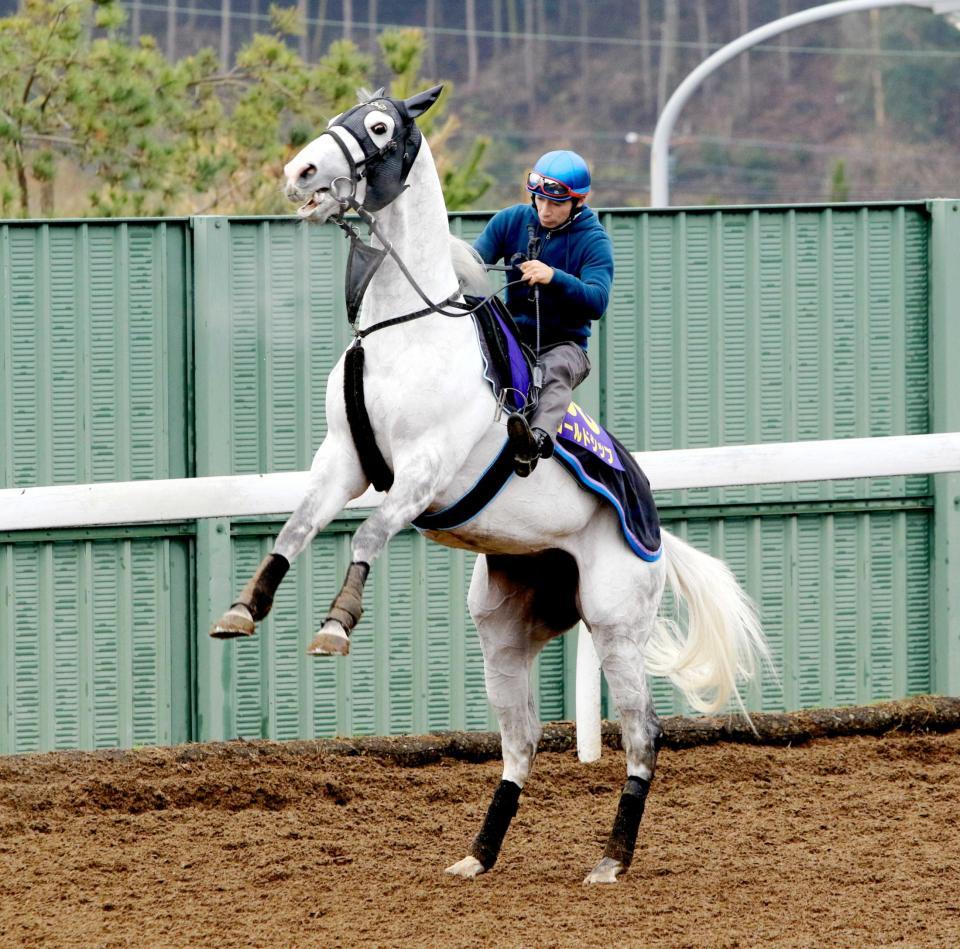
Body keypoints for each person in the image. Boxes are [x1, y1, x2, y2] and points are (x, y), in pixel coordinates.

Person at [474, 150, 614, 477]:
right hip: (513, 337)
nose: (544, 210)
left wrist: (554, 277)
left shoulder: (595, 242)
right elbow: (474, 262)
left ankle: (536, 440)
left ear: (579, 202)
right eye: (538, 200)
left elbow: (597, 301)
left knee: (555, 369)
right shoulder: (510, 220)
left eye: (555, 204)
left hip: (565, 346)